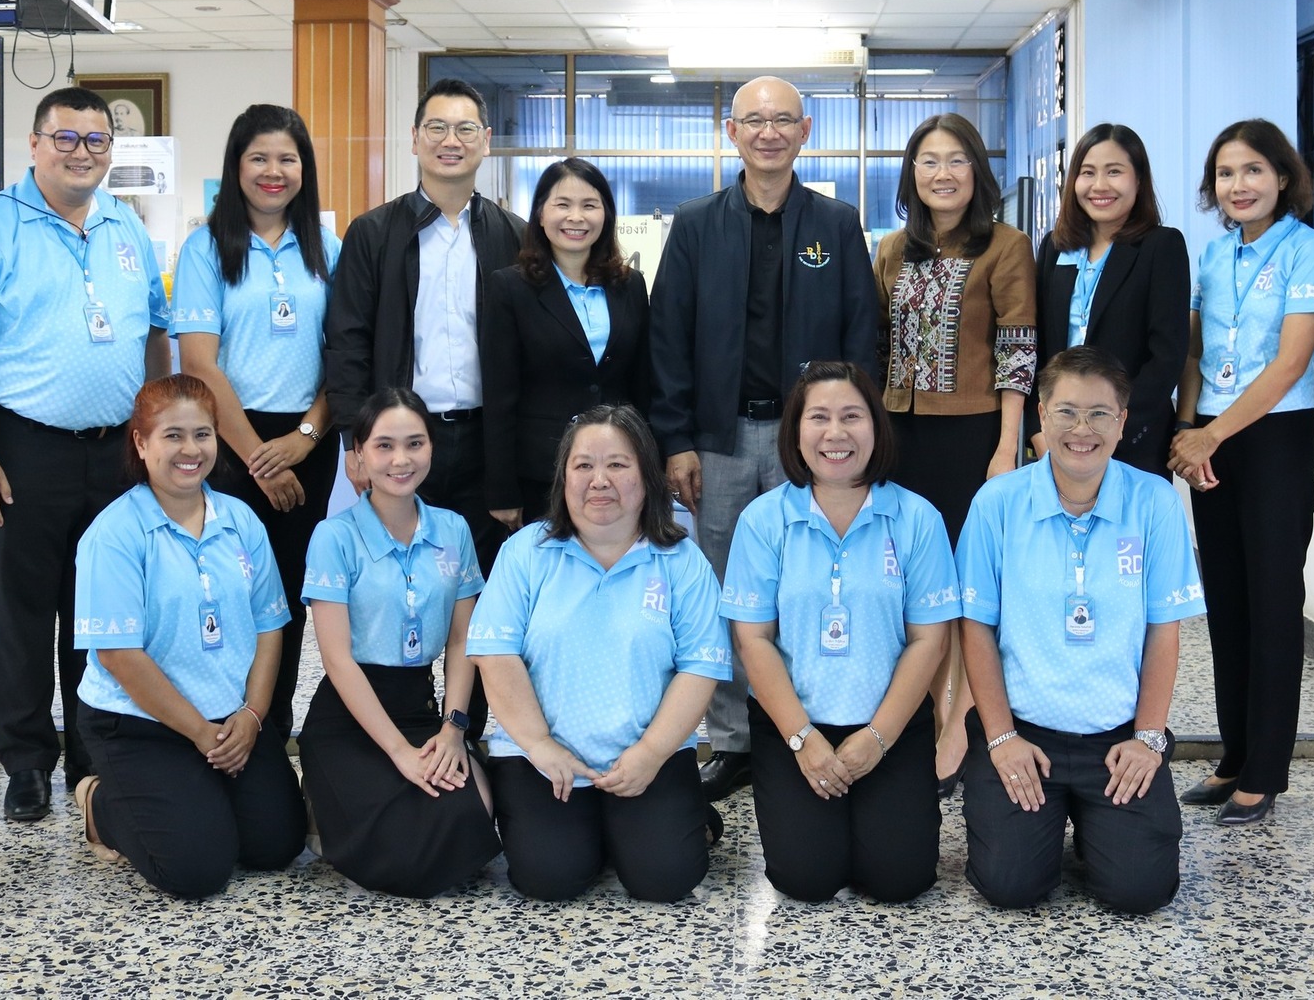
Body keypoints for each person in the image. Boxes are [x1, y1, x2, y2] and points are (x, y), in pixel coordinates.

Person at [0, 86, 171, 822]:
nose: (81, 152)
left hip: (116, 451)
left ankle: (95, 758)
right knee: (21, 614)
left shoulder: (126, 226)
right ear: (35, 144)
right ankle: (28, 763)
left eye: (97, 140)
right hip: (19, 449)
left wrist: (156, 438)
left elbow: (153, 335)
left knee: (102, 610)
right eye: (66, 138)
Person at [651, 75, 881, 799]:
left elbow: (862, 336)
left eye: (783, 120)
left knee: (803, 588)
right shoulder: (696, 224)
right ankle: (732, 739)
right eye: (755, 120)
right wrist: (676, 439)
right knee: (727, 593)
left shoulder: (836, 224)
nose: (769, 132)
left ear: (805, 131)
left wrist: (847, 438)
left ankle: (797, 729)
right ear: (732, 132)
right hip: (717, 440)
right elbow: (667, 338)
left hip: (808, 443)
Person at [958, 347, 1205, 914]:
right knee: (1011, 885)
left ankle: (1099, 830)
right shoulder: (998, 503)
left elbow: (1163, 632)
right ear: (1042, 414)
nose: (1081, 430)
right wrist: (1001, 737)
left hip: (1116, 738)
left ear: (1123, 421)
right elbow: (976, 628)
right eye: (1066, 412)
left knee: (1139, 891)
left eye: (1099, 414)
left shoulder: (1155, 502)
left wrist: (1148, 737)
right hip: (1026, 732)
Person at [324, 77, 527, 734]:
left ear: (485, 142)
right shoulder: (373, 233)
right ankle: (392, 732)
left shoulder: (514, 237)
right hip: (402, 446)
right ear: (414, 139)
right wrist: (358, 445)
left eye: (465, 128)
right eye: (437, 127)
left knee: (482, 598)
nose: (450, 140)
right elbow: (347, 342)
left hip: (485, 445)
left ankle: (468, 732)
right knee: (391, 591)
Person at [467, 405, 731, 902]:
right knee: (550, 878)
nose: (599, 480)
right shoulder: (524, 552)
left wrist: (650, 754)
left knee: (666, 878)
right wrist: (541, 745)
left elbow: (700, 667)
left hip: (647, 753)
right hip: (543, 757)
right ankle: (604, 829)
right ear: (563, 477)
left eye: (617, 464)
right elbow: (495, 656)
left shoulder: (682, 559)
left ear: (646, 476)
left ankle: (668, 816)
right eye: (583, 465)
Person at [721, 362, 959, 903]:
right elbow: (752, 640)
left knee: (900, 880)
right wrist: (803, 739)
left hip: (892, 725)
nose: (836, 433)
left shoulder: (917, 518)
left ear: (876, 427)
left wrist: (878, 737)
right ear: (795, 432)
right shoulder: (763, 520)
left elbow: (929, 641)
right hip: (793, 728)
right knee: (806, 879)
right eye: (819, 418)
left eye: (852, 416)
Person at [68, 375, 305, 898]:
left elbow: (270, 626)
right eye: (172, 435)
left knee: (276, 845)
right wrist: (199, 732)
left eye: (202, 434)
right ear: (141, 443)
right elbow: (120, 655)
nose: (190, 450)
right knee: (196, 871)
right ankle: (100, 804)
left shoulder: (241, 520)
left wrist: (252, 716)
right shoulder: (116, 533)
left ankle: (198, 793)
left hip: (231, 718)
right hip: (140, 723)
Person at [1166, 120, 1314, 827]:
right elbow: (1193, 353)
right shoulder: (1212, 255)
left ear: (1283, 177)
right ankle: (1234, 755)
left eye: (1253, 170)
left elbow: (1291, 363)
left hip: (1273, 438)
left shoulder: (1308, 249)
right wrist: (1187, 432)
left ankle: (1265, 772)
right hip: (1209, 437)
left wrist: (1210, 433)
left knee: (1272, 603)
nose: (1238, 185)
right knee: (1228, 605)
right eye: (1226, 173)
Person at [873, 111, 1035, 793]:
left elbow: (1018, 350)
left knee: (971, 588)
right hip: (901, 438)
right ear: (912, 173)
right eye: (929, 161)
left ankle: (962, 728)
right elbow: (876, 344)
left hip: (975, 435)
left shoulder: (1005, 246)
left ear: (978, 171)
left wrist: (1006, 447)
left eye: (957, 160)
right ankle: (925, 717)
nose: (943, 174)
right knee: (917, 588)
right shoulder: (891, 249)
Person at [173, 104, 340, 740]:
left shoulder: (327, 247)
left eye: (287, 159)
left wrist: (305, 437)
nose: (274, 171)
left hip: (308, 440)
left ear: (305, 168)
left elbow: (343, 356)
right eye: (259, 158)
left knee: (286, 592)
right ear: (236, 166)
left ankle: (270, 730)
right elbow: (199, 363)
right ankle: (216, 726)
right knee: (226, 589)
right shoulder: (205, 248)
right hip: (226, 441)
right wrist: (258, 459)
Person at [297, 389, 500, 897]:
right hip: (350, 716)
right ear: (359, 454)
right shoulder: (334, 537)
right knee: (408, 859)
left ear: (432, 447)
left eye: (415, 443)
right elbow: (337, 660)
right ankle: (320, 803)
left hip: (422, 709)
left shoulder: (453, 530)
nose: (401, 460)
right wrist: (399, 753)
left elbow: (462, 640)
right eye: (384, 446)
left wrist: (454, 729)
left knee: (470, 819)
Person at [482, 157, 651, 528]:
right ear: (540, 214)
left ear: (606, 215)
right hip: (541, 473)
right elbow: (498, 397)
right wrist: (502, 490)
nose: (576, 217)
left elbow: (643, 385)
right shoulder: (509, 288)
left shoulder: (630, 286)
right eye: (563, 204)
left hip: (618, 472)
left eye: (589, 205)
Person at [1034, 124, 1190, 479]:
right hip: (1060, 437)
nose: (1100, 185)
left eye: (1114, 172)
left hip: (1131, 439)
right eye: (1088, 173)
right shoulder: (1055, 248)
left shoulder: (1161, 247)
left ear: (1139, 180)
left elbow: (1167, 356)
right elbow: (1039, 344)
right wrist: (1042, 426)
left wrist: (1111, 425)